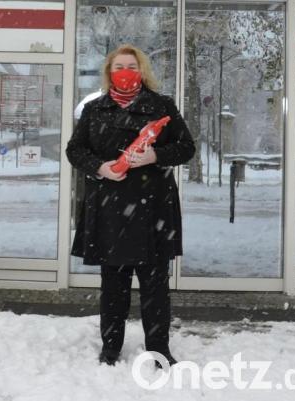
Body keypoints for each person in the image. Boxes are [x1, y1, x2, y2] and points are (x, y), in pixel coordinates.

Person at [65, 44, 194, 367]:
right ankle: (111, 348)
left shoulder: (161, 105)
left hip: (153, 209)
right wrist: (100, 167)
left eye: (132, 66)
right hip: (111, 209)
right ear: (109, 71)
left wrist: (155, 156)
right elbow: (74, 150)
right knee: (113, 286)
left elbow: (186, 147)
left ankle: (159, 349)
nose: (126, 72)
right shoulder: (95, 108)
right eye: (119, 66)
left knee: (155, 287)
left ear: (142, 71)